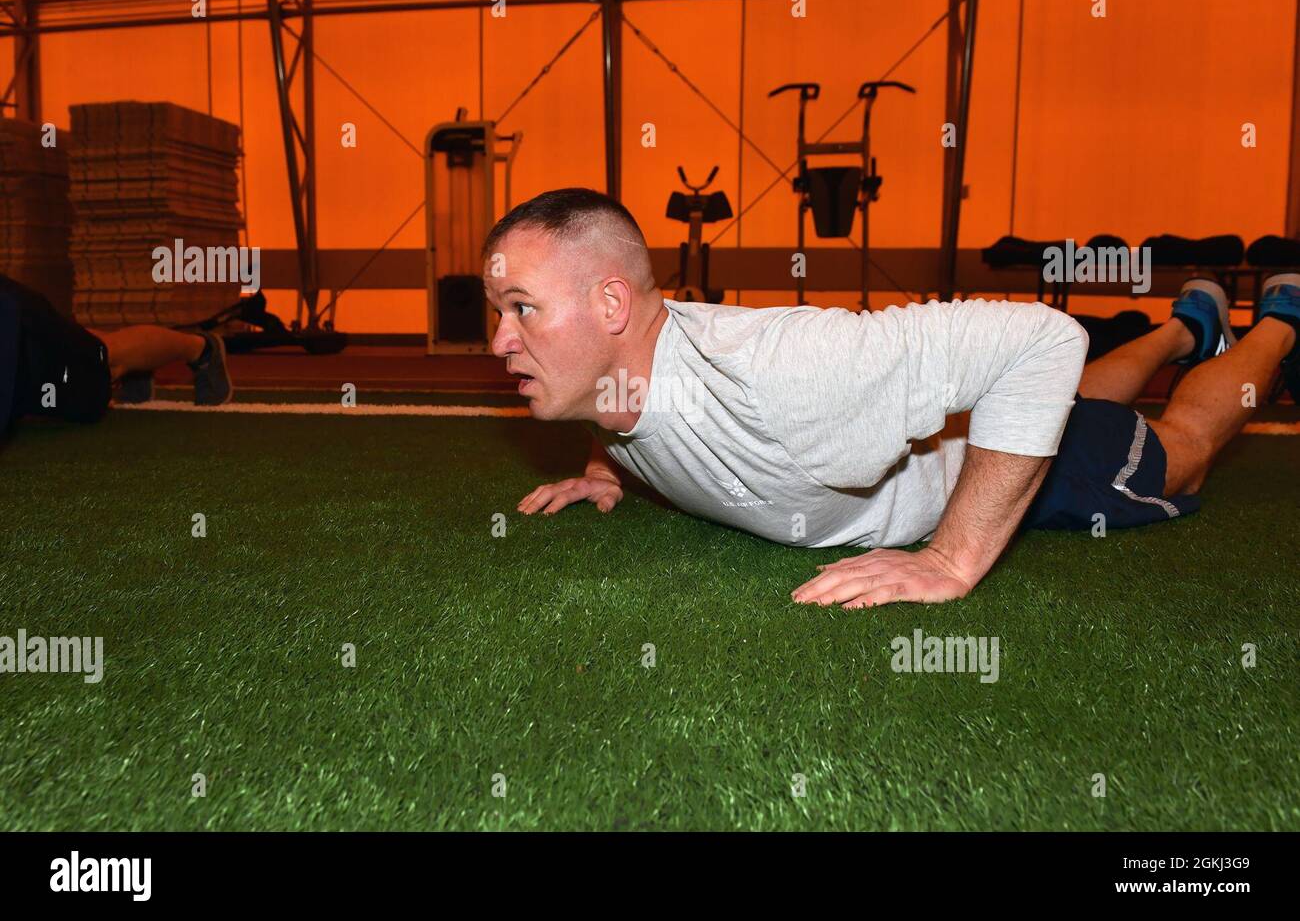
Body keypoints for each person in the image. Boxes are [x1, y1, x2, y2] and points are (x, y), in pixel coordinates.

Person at [487, 188, 1300, 609]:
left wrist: (951, 557)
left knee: (1178, 452)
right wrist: (606, 466)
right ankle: (1185, 327)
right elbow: (633, 407)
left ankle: (1277, 320)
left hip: (984, 468)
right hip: (965, 412)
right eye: (499, 314)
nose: (499, 342)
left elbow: (1042, 343)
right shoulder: (613, 376)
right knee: (1079, 397)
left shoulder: (792, 372)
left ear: (612, 307)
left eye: (523, 309)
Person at [0, 275, 232, 435]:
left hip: (21, 325)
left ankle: (201, 350)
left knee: (106, 356)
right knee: (89, 350)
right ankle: (136, 372)